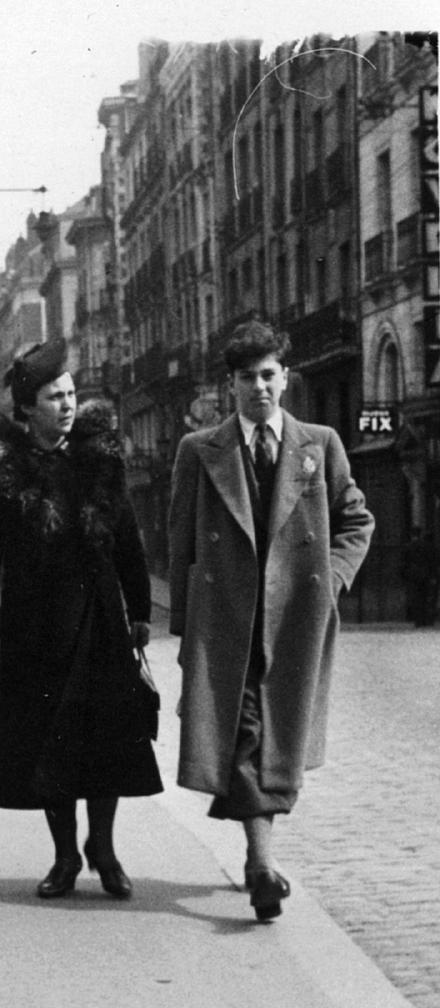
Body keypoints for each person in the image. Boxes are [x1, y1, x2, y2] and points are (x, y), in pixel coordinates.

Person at [168, 319, 374, 921]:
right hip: (226, 618)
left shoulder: (320, 443)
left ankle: (259, 857)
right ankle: (262, 864)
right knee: (244, 729)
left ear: (285, 378)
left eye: (267, 375)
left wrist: (330, 584)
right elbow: (181, 541)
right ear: (229, 385)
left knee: (276, 732)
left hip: (295, 620)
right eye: (245, 378)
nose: (258, 387)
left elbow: (356, 521)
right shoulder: (200, 449)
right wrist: (185, 628)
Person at [0, 339, 162, 900]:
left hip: (101, 616)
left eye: (72, 393)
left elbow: (127, 538)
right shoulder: (5, 468)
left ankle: (104, 848)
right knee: (47, 740)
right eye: (55, 397)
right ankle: (64, 856)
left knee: (107, 738)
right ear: (28, 407)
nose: (68, 405)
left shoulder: (98, 457)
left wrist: (141, 609)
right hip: (35, 620)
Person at [402, 527, 439, 627]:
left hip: (413, 575)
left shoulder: (408, 547)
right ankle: (427, 620)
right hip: (426, 575)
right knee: (426, 597)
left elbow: (404, 563)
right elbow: (433, 562)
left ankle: (418, 621)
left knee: (416, 598)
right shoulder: (428, 546)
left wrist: (404, 575)